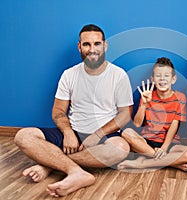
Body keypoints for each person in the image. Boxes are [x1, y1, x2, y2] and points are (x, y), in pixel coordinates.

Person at [14, 24, 133, 197]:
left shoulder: (118, 75)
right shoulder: (69, 74)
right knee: (23, 136)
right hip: (73, 134)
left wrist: (97, 134)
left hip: (104, 136)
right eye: (86, 44)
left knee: (121, 148)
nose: (92, 49)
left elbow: (125, 114)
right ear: (79, 46)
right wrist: (68, 132)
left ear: (105, 45)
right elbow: (58, 111)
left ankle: (50, 165)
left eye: (97, 44)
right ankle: (76, 172)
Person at [117, 57, 187, 171]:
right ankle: (170, 163)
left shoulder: (180, 97)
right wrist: (144, 103)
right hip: (147, 142)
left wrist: (164, 148)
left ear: (173, 79)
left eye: (166, 76)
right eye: (158, 76)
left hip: (169, 144)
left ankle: (143, 163)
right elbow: (137, 124)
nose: (162, 79)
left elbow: (174, 125)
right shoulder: (147, 95)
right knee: (126, 133)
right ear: (153, 79)